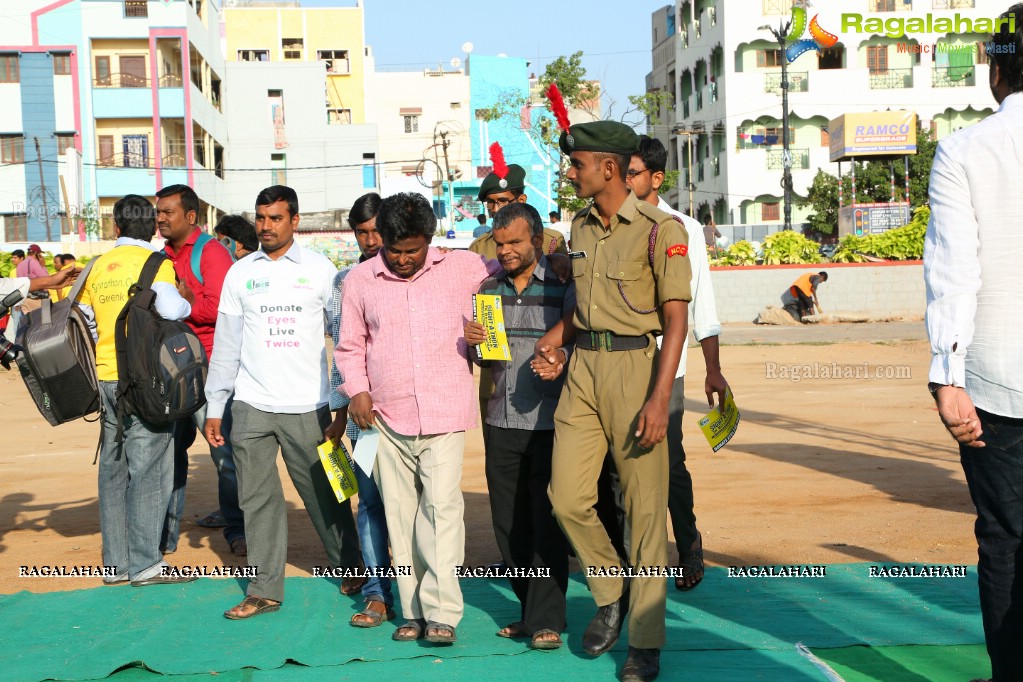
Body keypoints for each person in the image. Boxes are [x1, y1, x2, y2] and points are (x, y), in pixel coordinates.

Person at [532, 120, 692, 682]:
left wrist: (659, 396)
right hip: (584, 370)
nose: (569, 172)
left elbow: (676, 318)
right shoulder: (578, 226)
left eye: (577, 164)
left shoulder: (659, 229)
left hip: (636, 369)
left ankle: (645, 642)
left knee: (645, 515)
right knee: (567, 497)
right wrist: (556, 341)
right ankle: (611, 590)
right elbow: (584, 306)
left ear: (607, 167)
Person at [337, 192, 503, 645]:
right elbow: (349, 346)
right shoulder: (360, 280)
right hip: (383, 420)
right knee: (400, 514)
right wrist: (358, 392)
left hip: (446, 412)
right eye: (396, 251)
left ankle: (443, 611)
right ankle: (410, 610)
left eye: (414, 250)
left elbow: (513, 264)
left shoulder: (464, 267)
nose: (406, 259)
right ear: (381, 242)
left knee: (442, 511)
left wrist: (560, 261)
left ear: (429, 240)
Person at [203, 185, 362, 619]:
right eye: (260, 218)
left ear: (294, 221)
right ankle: (265, 588)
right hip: (251, 403)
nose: (266, 226)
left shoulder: (321, 269)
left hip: (309, 405)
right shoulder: (240, 273)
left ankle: (354, 566)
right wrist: (216, 405)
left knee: (329, 490)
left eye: (275, 218)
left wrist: (340, 400)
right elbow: (227, 346)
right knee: (256, 499)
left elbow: (343, 337)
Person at [925, 9, 1023, 681]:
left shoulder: (966, 148)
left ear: (996, 66)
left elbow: (952, 271)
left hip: (995, 381)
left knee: (1005, 540)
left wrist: (946, 374)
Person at [612, 136, 727, 592]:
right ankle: (633, 560)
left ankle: (690, 547)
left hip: (667, 367)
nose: (624, 180)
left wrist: (713, 369)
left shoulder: (683, 228)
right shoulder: (610, 224)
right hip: (617, 366)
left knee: (670, 461)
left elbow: (702, 306)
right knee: (622, 467)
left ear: (656, 178)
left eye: (632, 172)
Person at [463, 202, 573, 650]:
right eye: (500, 242)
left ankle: (548, 618)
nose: (505, 250)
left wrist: (560, 360)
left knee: (545, 521)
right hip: (499, 420)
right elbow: (488, 358)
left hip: (551, 424)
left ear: (539, 241)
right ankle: (531, 613)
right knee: (508, 525)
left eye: (514, 242)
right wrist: (475, 345)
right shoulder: (488, 289)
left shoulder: (565, 287)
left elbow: (578, 344)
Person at [75, 194, 195, 586]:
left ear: (116, 227)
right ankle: (145, 565)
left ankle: (116, 565)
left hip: (105, 380)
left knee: (113, 470)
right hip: (144, 382)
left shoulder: (94, 268)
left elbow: (86, 321)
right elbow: (175, 311)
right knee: (150, 470)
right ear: (153, 227)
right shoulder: (157, 264)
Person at [155, 184, 245, 558]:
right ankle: (165, 536)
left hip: (207, 370)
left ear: (190, 216)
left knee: (224, 456)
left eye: (167, 212)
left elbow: (223, 310)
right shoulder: (159, 256)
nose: (160, 218)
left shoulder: (210, 253)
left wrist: (184, 303)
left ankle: (238, 528)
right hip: (169, 370)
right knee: (168, 452)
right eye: (158, 212)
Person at [324, 191, 395, 627]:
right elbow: (342, 349)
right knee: (369, 501)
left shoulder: (416, 272)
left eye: (376, 231)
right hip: (364, 420)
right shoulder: (344, 280)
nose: (370, 240)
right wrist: (339, 413)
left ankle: (419, 589)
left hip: (413, 416)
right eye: (362, 232)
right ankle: (377, 593)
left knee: (415, 503)